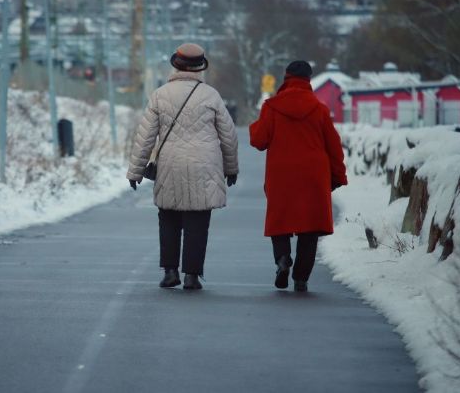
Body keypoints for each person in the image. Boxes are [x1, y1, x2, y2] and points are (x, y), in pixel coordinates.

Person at [127, 43, 239, 290]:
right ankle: (191, 275)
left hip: (171, 165)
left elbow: (145, 136)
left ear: (175, 64)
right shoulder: (211, 95)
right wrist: (231, 168)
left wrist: (135, 170)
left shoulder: (160, 95)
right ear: (201, 66)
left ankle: (169, 272)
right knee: (198, 222)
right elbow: (229, 136)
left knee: (168, 218)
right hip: (205, 166)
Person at [249, 60, 347, 292]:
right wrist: (338, 176)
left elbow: (258, 140)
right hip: (314, 174)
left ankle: (283, 259)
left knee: (280, 222)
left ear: (286, 77)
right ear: (308, 80)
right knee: (309, 227)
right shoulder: (320, 108)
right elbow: (334, 146)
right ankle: (301, 278)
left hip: (282, 173)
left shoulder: (272, 107)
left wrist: (258, 123)